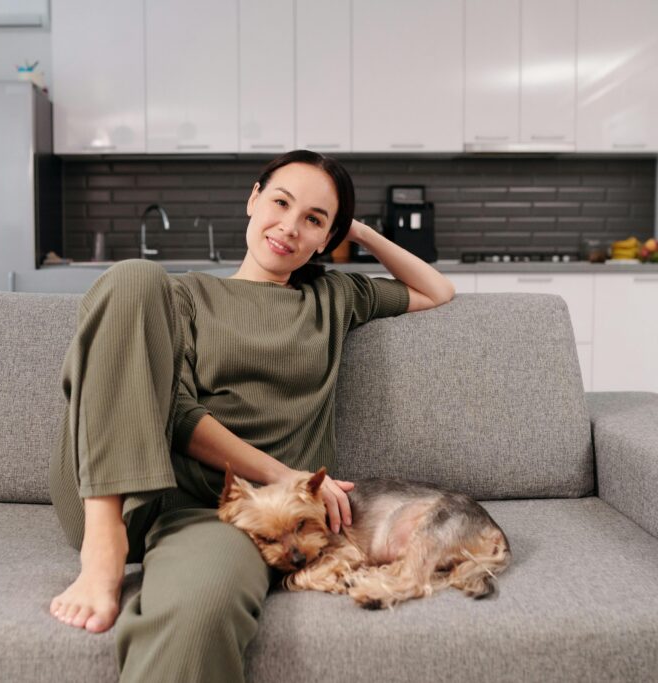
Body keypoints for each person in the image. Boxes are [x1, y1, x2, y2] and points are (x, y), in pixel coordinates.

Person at [47, 149, 456, 682]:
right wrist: (281, 473)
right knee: (134, 277)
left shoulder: (334, 298)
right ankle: (104, 547)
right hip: (119, 492)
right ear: (253, 199)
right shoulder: (183, 296)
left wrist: (358, 230)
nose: (289, 227)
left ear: (327, 238)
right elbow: (176, 414)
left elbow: (438, 290)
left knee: (201, 612)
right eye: (281, 203)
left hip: (236, 519)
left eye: (314, 220)